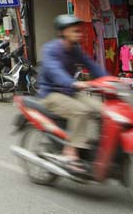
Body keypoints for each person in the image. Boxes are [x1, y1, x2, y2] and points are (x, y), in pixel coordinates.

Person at [38, 14, 108, 173]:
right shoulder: (50, 49)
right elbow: (55, 71)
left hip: (70, 91)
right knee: (81, 111)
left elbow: (91, 65)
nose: (79, 33)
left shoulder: (75, 50)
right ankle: (70, 152)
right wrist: (73, 83)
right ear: (63, 32)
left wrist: (109, 79)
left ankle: (98, 147)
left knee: (103, 109)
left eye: (79, 30)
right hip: (51, 94)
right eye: (74, 30)